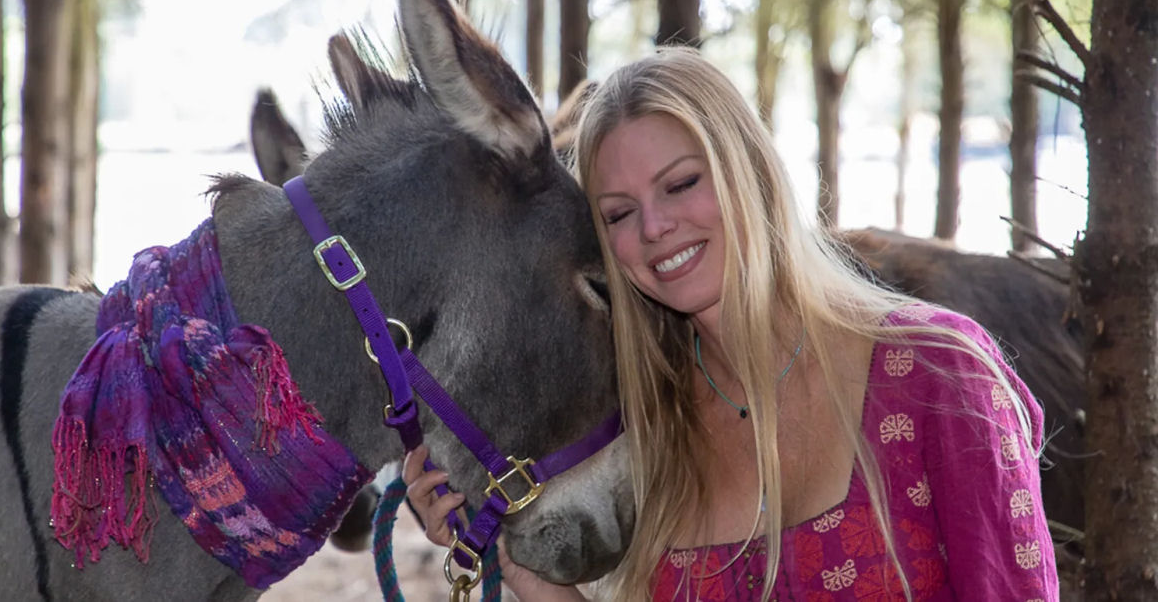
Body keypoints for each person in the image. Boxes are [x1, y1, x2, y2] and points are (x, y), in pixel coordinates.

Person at [404, 47, 1059, 601]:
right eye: (619, 213)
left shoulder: (940, 373)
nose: (655, 227)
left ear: (751, 171)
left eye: (682, 183)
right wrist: (515, 564)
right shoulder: (655, 427)